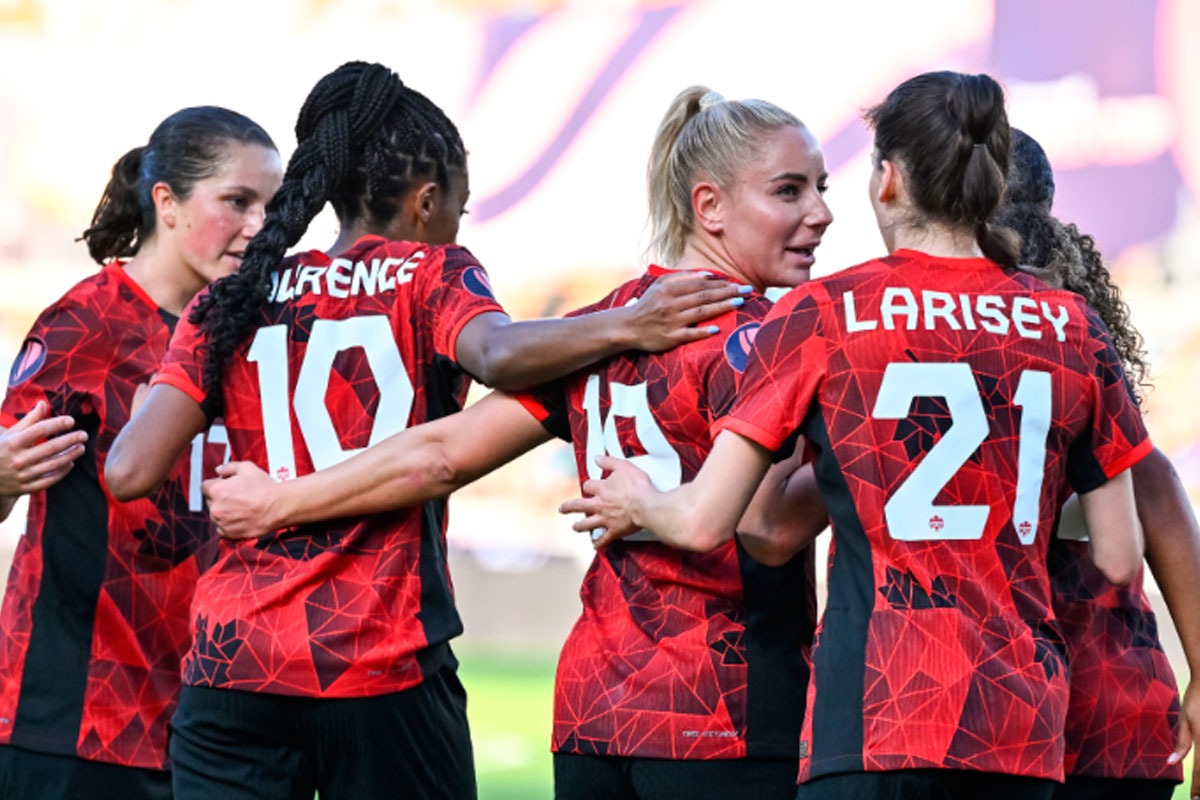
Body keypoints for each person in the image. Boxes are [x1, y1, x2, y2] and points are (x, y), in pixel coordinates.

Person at [104, 65, 749, 800]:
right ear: (427, 201)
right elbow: (497, 353)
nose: (456, 227)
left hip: (233, 667)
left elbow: (129, 471)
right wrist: (629, 322)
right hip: (377, 658)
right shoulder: (427, 273)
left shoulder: (232, 297)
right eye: (459, 210)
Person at [563, 70, 1150, 800]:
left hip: (872, 719)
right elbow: (1121, 556)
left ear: (888, 180)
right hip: (1017, 729)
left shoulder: (824, 312)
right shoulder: (1073, 326)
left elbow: (712, 520)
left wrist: (639, 500)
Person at [0, 107, 281, 800]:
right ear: (166, 202)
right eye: (236, 202)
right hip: (75, 723)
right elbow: (9, 477)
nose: (258, 227)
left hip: (219, 725)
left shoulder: (260, 335)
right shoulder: (85, 325)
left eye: (271, 208)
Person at [999, 128, 1200, 800]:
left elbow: (1159, 497)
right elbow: (1162, 494)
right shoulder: (1069, 323)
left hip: (1006, 710)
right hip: (1106, 706)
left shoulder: (1028, 328)